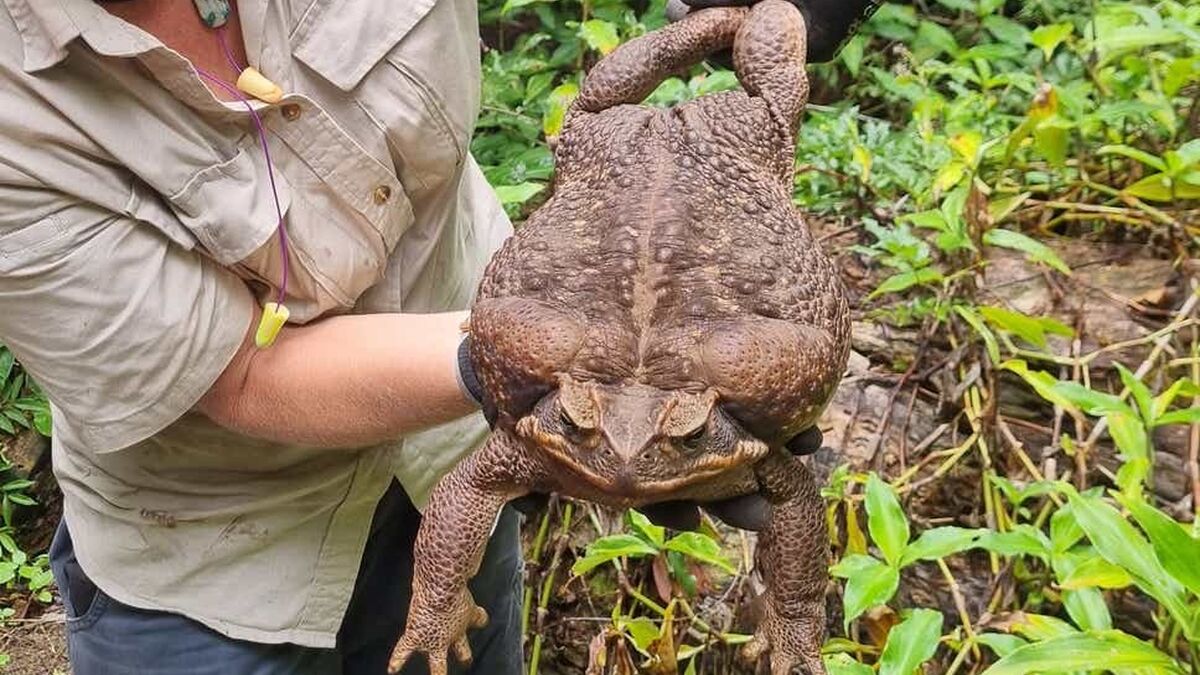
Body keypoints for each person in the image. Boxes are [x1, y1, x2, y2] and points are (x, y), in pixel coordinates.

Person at [0, 1, 877, 673]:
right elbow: (238, 374)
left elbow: (790, 494)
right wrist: (518, 372)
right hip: (213, 547)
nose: (617, 460)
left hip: (459, 442)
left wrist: (772, 19)